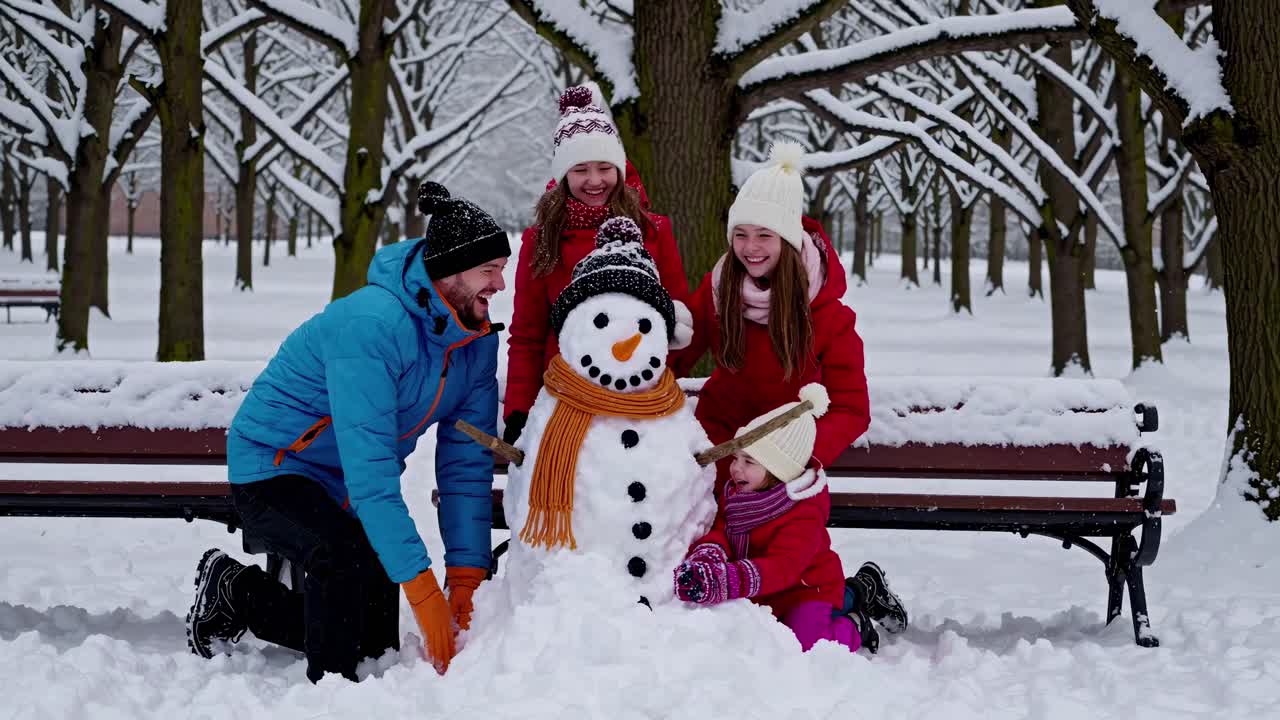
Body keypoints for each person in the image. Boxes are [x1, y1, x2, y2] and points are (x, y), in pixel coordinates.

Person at [185, 181, 509, 682]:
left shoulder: (474, 343)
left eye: (502, 270)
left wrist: (464, 578)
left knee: (372, 641)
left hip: (345, 483)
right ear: (448, 272)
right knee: (342, 558)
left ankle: (238, 596)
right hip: (275, 466)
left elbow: (466, 467)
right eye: (489, 271)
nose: (500, 285)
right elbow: (372, 471)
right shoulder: (372, 326)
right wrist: (422, 589)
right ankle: (330, 696)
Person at [672, 141, 909, 641]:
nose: (751, 247)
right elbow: (677, 355)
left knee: (786, 566)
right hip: (726, 448)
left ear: (788, 237)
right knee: (716, 548)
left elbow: (851, 406)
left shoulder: (826, 314)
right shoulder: (719, 292)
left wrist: (795, 457)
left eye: (764, 235)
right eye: (741, 234)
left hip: (791, 461)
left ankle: (852, 600)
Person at [503, 85, 691, 446]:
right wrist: (519, 411)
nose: (594, 180)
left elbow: (677, 322)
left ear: (620, 169)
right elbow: (527, 336)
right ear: (563, 175)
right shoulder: (541, 240)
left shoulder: (654, 231)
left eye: (605, 167)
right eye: (580, 169)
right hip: (566, 398)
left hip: (639, 397)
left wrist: (659, 383)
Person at [674, 385, 901, 652]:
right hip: (762, 587)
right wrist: (710, 552)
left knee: (805, 643)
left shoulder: (802, 511)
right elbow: (724, 526)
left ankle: (856, 623)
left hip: (805, 589)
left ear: (777, 470)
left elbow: (784, 567)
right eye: (736, 457)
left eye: (749, 461)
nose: (735, 468)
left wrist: (725, 580)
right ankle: (860, 588)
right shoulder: (739, 491)